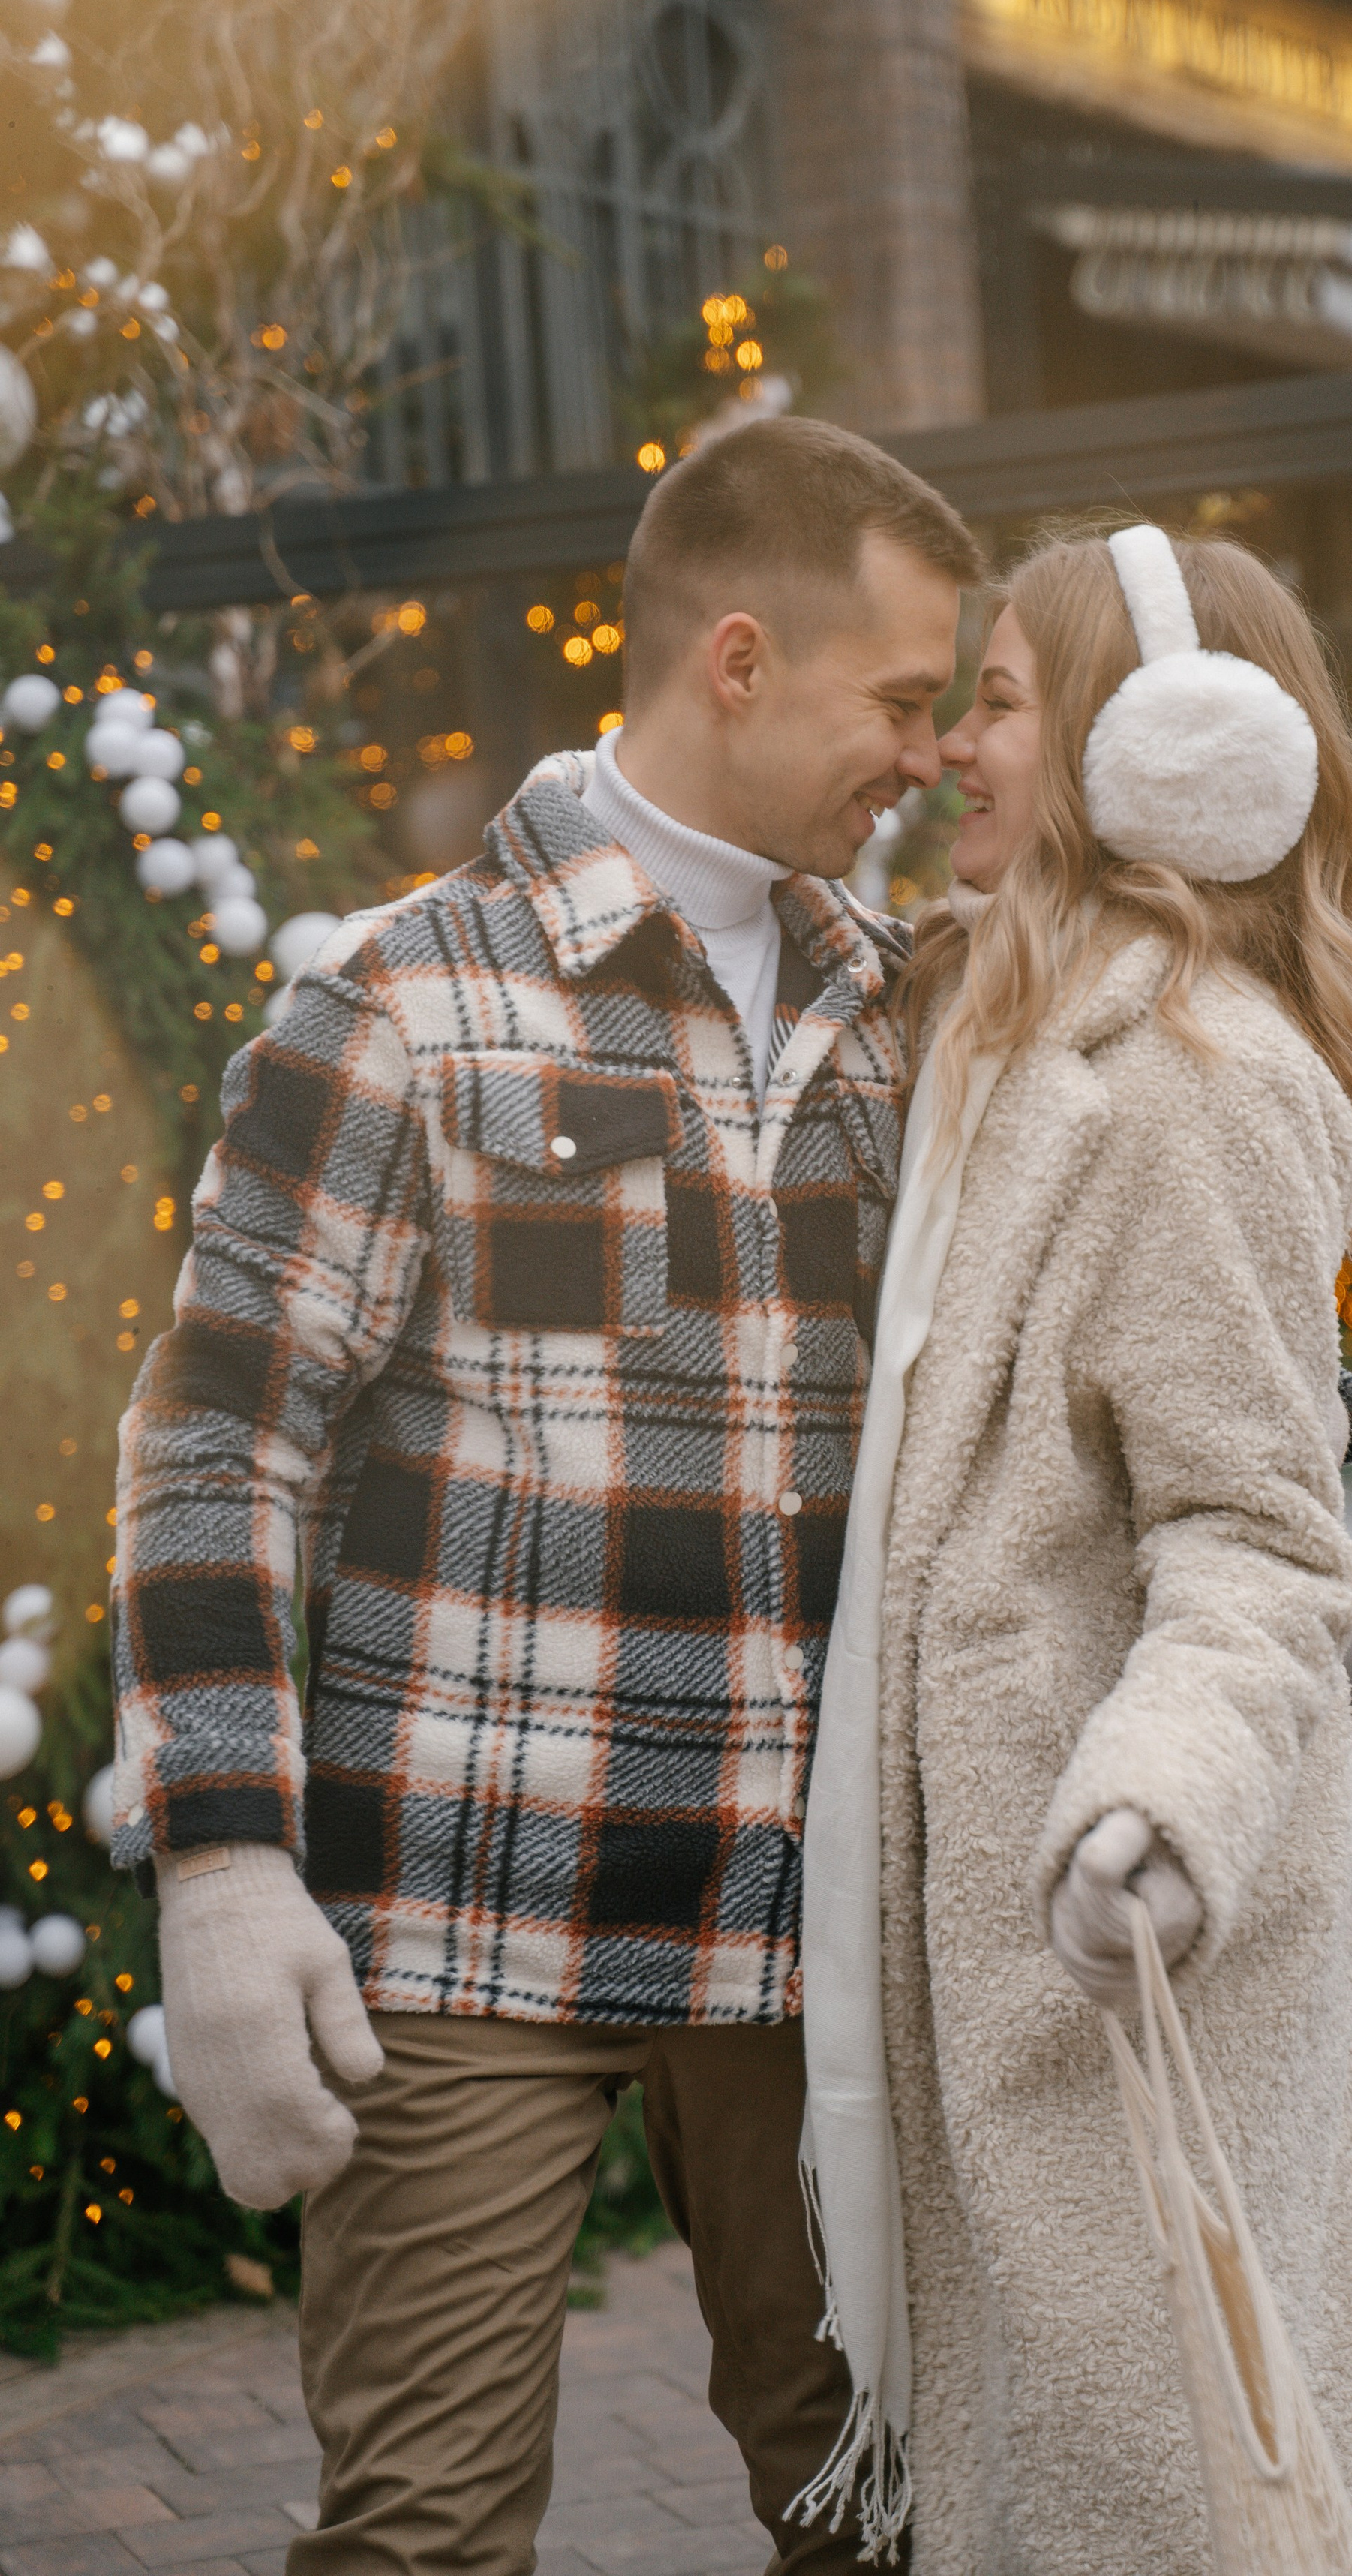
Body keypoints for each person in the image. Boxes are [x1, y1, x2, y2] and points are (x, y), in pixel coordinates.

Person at [108, 416, 982, 2576]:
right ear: (747, 662)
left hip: (819, 1937)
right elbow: (221, 1438)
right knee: (419, 2540)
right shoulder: (403, 999)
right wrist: (222, 1873)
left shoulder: (915, 1013)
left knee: (889, 2523)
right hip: (478, 1914)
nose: (932, 755)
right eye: (902, 701)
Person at [798, 523, 1352, 2574]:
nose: (953, 751)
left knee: (1172, 2498)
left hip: (1117, 1919)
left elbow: (1260, 1539)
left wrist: (1156, 1801)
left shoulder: (1190, 1082)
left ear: (1150, 750)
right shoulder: (1010, 1037)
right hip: (1022, 1950)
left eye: (996, 700)